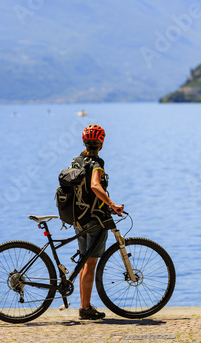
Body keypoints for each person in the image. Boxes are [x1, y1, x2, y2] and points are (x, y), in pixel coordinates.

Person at [76, 124, 124, 320]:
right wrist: (112, 204)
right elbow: (95, 185)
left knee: (83, 262)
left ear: (84, 141)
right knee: (91, 263)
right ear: (101, 144)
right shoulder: (96, 162)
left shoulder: (77, 160)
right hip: (95, 219)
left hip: (79, 218)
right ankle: (85, 308)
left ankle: (83, 306)